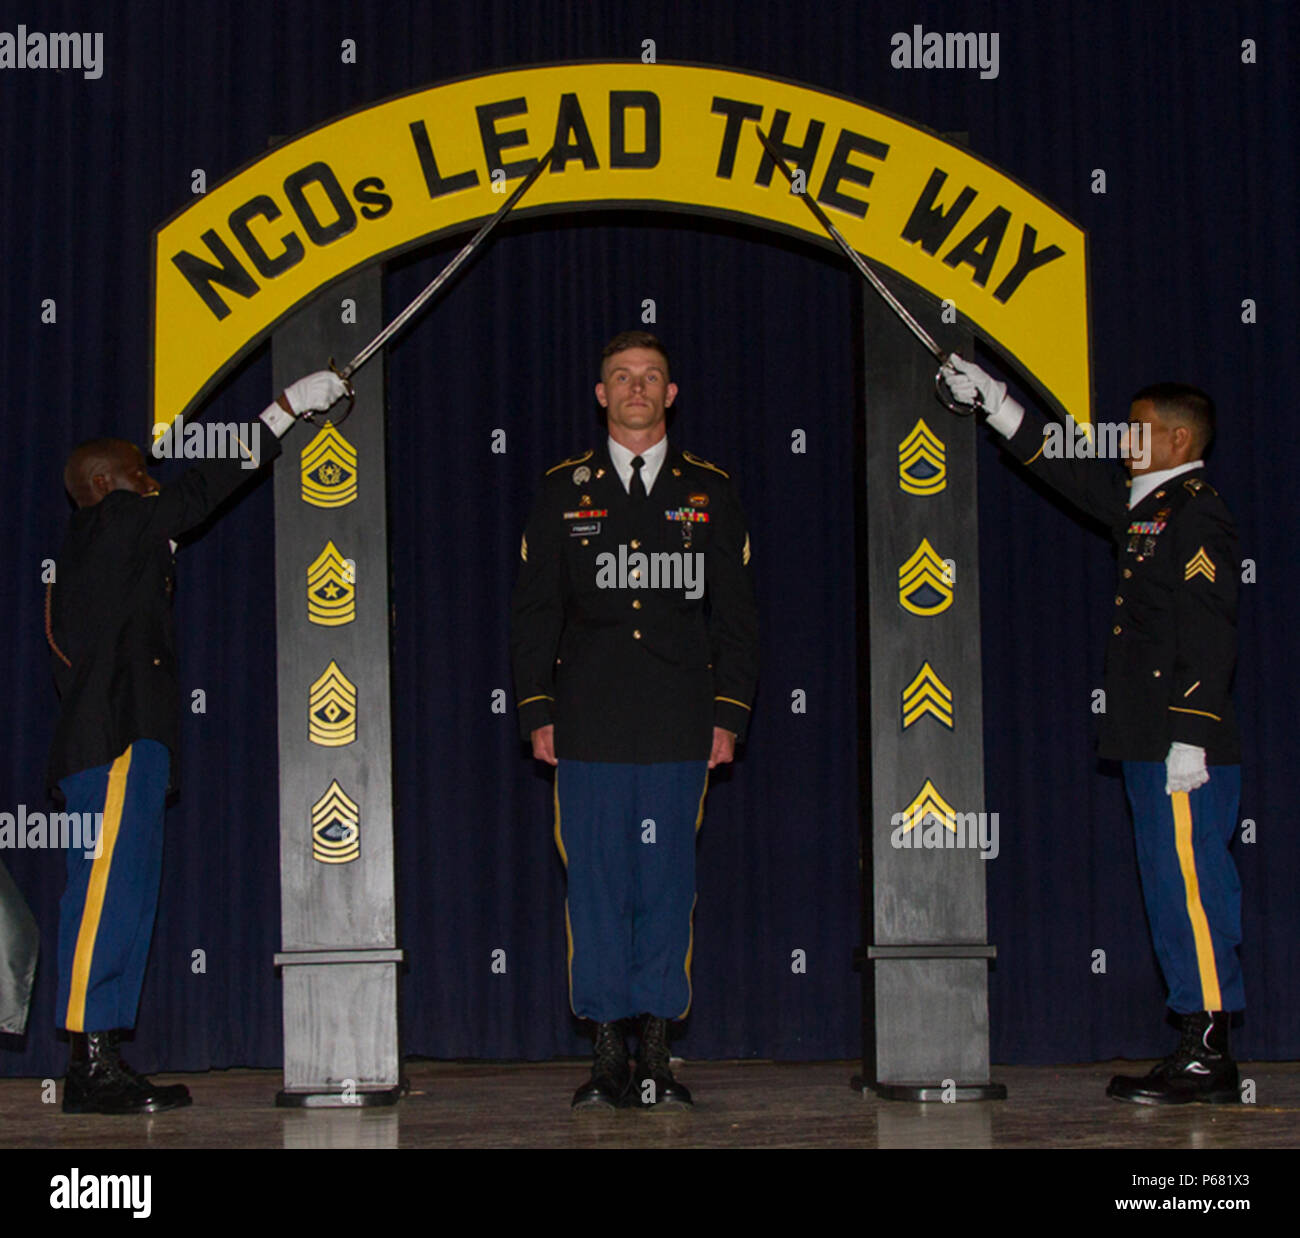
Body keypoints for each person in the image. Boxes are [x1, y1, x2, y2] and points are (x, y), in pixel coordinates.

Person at [45, 370, 348, 1114]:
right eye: (142, 472)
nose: (154, 483)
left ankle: (105, 1053)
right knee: (103, 901)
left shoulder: (120, 545)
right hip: (113, 739)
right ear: (110, 482)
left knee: (129, 900)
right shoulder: (112, 523)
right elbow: (199, 491)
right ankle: (86, 1059)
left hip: (133, 741)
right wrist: (281, 413)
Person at [942, 355, 1242, 1105]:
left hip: (1181, 743)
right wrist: (998, 405)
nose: (1120, 441)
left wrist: (1190, 734)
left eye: (1136, 431)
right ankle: (1191, 1038)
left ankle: (1209, 1050)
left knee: (1194, 889)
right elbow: (1067, 471)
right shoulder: (1150, 507)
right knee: (1169, 889)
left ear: (1178, 440)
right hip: (1150, 737)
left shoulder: (1195, 511)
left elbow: (1209, 631)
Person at [511, 331, 758, 1109]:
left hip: (680, 720)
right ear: (601, 394)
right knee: (595, 885)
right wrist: (537, 709)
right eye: (622, 377)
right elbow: (535, 612)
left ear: (672, 394)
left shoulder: (709, 488)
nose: (637, 389)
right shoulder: (562, 489)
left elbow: (737, 617)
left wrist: (729, 714)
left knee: (666, 883)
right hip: (588, 721)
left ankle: (658, 1047)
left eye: (651, 377)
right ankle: (607, 1049)